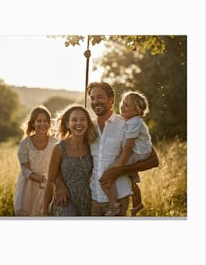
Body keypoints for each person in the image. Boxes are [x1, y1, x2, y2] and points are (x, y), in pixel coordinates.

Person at [55, 82, 159, 216]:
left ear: (111, 100)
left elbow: (153, 160)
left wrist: (118, 171)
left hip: (119, 197)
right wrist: (58, 182)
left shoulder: (126, 125)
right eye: (92, 98)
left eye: (100, 97)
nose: (95, 101)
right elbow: (64, 154)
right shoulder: (88, 127)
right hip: (93, 197)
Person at [100, 90, 152, 216]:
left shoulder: (135, 122)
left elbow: (128, 147)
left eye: (127, 105)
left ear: (137, 110)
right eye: (123, 103)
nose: (122, 106)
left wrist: (119, 164)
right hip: (137, 151)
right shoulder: (129, 120)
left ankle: (114, 206)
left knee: (107, 175)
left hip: (139, 152)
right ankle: (138, 204)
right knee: (129, 177)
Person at [43, 105, 98, 216]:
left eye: (83, 119)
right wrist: (44, 210)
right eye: (74, 120)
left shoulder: (92, 146)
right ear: (68, 124)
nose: (79, 123)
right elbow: (50, 180)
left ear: (88, 123)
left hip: (86, 200)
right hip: (64, 200)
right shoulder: (59, 148)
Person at [13, 106, 58, 216]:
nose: (43, 124)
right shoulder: (25, 143)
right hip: (29, 187)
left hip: (49, 186)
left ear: (49, 123)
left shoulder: (55, 143)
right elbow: (25, 170)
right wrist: (38, 178)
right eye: (39, 121)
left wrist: (49, 182)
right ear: (33, 123)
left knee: (45, 214)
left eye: (46, 121)